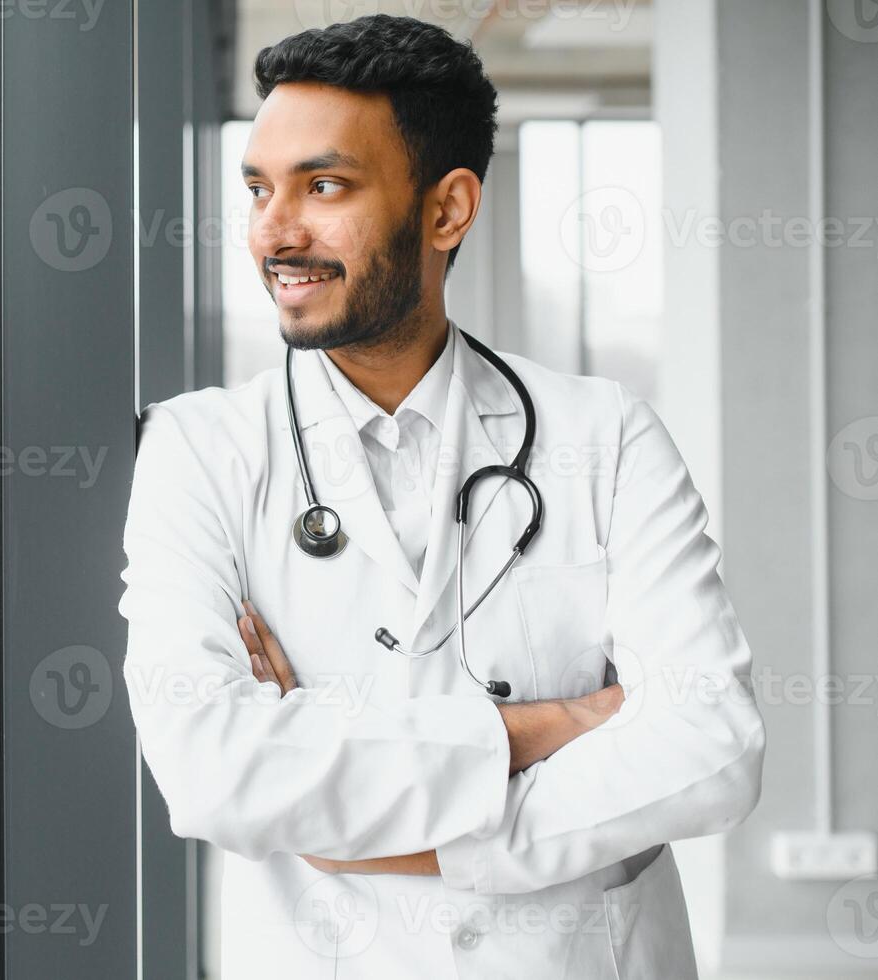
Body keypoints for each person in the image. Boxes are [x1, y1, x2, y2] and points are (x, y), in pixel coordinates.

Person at [119, 15, 765, 978]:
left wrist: (407, 831)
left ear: (446, 209)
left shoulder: (606, 434)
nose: (272, 231)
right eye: (257, 188)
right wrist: (558, 725)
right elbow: (214, 773)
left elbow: (711, 749)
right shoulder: (198, 450)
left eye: (322, 186)